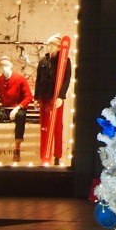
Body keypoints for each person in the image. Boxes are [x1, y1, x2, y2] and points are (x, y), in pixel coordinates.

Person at [0, 55, 33, 163]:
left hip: (17, 108)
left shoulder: (20, 79)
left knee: (20, 116)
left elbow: (28, 96)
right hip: (4, 109)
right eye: (1, 66)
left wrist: (18, 107)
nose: (4, 68)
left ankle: (17, 149)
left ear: (10, 66)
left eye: (5, 66)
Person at [34, 34, 71, 166]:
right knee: (44, 126)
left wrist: (61, 96)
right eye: (48, 45)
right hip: (44, 97)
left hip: (55, 98)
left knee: (57, 126)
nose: (49, 47)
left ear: (57, 46)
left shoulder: (65, 61)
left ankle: (57, 155)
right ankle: (45, 154)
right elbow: (38, 79)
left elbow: (66, 79)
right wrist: (36, 97)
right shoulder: (43, 61)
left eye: (52, 45)